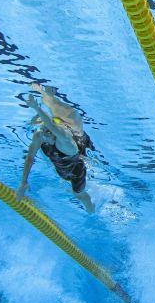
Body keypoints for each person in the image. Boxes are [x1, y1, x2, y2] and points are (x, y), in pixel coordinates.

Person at [16, 83, 96, 213]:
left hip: (76, 157)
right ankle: (47, 95)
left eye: (48, 134)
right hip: (63, 132)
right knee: (51, 106)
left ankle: (92, 212)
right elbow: (30, 157)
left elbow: (54, 128)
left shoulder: (65, 141)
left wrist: (36, 108)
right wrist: (23, 183)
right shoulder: (40, 135)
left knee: (79, 194)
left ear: (54, 135)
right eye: (43, 131)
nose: (44, 136)